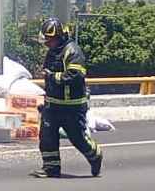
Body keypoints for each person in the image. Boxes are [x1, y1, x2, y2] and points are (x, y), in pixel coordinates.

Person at [32, 17, 103, 178]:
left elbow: (75, 75)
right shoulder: (52, 52)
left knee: (77, 138)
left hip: (72, 106)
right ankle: (51, 168)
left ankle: (95, 155)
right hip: (53, 104)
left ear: (59, 36)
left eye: (50, 39)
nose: (47, 43)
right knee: (47, 136)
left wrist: (52, 77)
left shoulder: (73, 51)